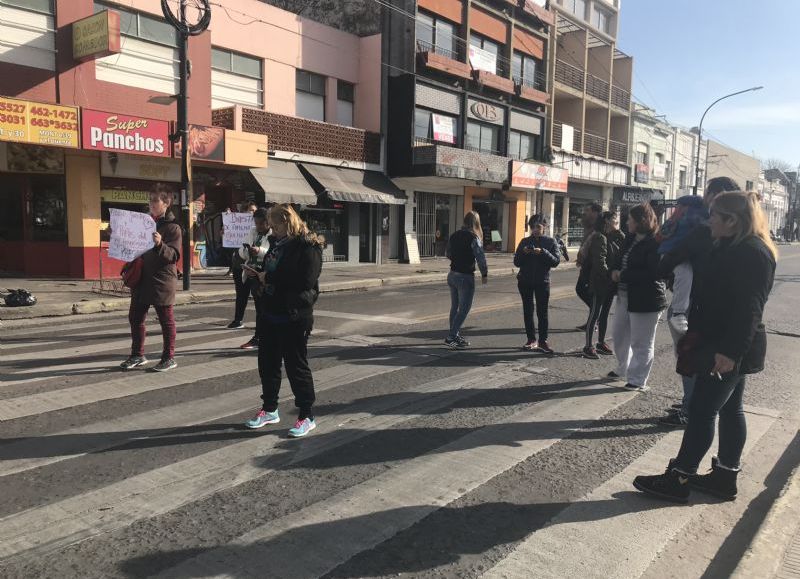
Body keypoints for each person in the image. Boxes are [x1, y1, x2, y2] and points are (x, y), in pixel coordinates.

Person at [633, 192, 777, 503]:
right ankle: (724, 478)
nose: (708, 219)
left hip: (727, 346)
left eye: (714, 215)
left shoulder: (751, 253)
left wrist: (729, 353)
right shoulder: (729, 245)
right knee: (730, 408)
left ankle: (680, 478)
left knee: (701, 410)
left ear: (732, 221)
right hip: (727, 342)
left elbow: (748, 309)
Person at [657, 177, 740, 427]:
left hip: (694, 306)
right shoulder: (741, 238)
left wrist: (671, 267)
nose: (705, 200)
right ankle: (690, 402)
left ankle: (689, 408)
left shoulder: (705, 230)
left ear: (718, 196)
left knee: (689, 355)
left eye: (708, 194)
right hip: (715, 310)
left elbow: (668, 259)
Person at [245, 204, 323, 438]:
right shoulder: (277, 245)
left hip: (294, 315)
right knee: (267, 365)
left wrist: (270, 277)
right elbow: (270, 271)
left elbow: (306, 280)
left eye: (276, 225)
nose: (272, 230)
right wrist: (258, 278)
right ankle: (270, 409)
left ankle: (306, 415)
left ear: (287, 223)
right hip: (270, 312)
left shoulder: (308, 246)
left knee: (296, 366)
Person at [120, 184, 182, 372]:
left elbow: (173, 255)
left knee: (166, 319)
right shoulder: (143, 223)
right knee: (135, 317)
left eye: (155, 200)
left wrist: (159, 244)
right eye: (150, 200)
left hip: (161, 281)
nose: (152, 204)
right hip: (141, 279)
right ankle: (137, 354)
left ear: (167, 203)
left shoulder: (173, 228)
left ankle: (168, 357)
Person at [609, 203, 667, 390]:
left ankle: (637, 378)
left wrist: (623, 275)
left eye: (630, 219)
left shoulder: (655, 242)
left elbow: (654, 273)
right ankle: (623, 367)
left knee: (641, 342)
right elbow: (618, 259)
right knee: (619, 335)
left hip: (646, 299)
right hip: (624, 295)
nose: (627, 222)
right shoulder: (630, 238)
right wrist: (614, 270)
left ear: (640, 221)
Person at [657, 195, 708, 334]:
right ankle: (678, 312)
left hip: (669, 255)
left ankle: (676, 311)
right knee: (685, 275)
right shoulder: (692, 217)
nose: (678, 209)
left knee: (681, 277)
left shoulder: (675, 219)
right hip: (675, 256)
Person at [514, 214, 560, 354]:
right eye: (532, 227)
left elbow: (556, 261)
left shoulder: (551, 242)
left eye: (538, 227)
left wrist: (543, 252)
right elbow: (517, 262)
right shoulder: (524, 241)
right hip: (525, 281)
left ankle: (543, 341)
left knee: (542, 312)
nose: (535, 230)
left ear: (544, 227)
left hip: (542, 282)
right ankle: (531, 339)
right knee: (528, 311)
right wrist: (524, 252)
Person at [582, 211, 625, 359]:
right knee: (595, 314)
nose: (617, 222)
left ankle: (600, 342)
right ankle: (588, 346)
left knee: (605, 314)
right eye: (615, 220)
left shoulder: (614, 236)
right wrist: (611, 275)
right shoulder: (599, 237)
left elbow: (625, 245)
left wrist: (618, 231)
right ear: (607, 221)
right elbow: (599, 262)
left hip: (610, 283)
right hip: (600, 282)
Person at [444, 211, 488, 349]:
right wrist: (484, 274)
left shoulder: (454, 235)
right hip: (465, 276)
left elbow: (448, 253)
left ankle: (454, 335)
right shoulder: (474, 237)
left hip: (452, 274)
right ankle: (451, 336)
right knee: (463, 310)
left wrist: (458, 259)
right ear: (476, 223)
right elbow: (480, 258)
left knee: (454, 307)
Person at [237, 208, 272, 350]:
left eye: (260, 224)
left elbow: (272, 253)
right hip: (252, 273)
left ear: (268, 222)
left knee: (264, 309)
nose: (258, 226)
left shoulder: (273, 234)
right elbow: (241, 251)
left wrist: (259, 251)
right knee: (260, 308)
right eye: (256, 223)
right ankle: (260, 336)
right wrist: (246, 251)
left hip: (264, 274)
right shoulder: (252, 232)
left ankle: (260, 337)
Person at [226, 201, 258, 329]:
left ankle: (261, 322)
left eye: (254, 211)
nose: (252, 214)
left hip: (253, 266)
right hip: (239, 264)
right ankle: (238, 320)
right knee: (241, 294)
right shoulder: (238, 224)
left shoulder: (259, 228)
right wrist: (226, 233)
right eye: (250, 210)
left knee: (257, 295)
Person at [575, 203, 603, 330]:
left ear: (595, 212)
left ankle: (595, 318)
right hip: (586, 263)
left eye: (588, 210)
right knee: (582, 290)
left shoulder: (600, 226)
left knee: (582, 289)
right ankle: (594, 317)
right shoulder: (589, 225)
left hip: (592, 264)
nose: (585, 212)